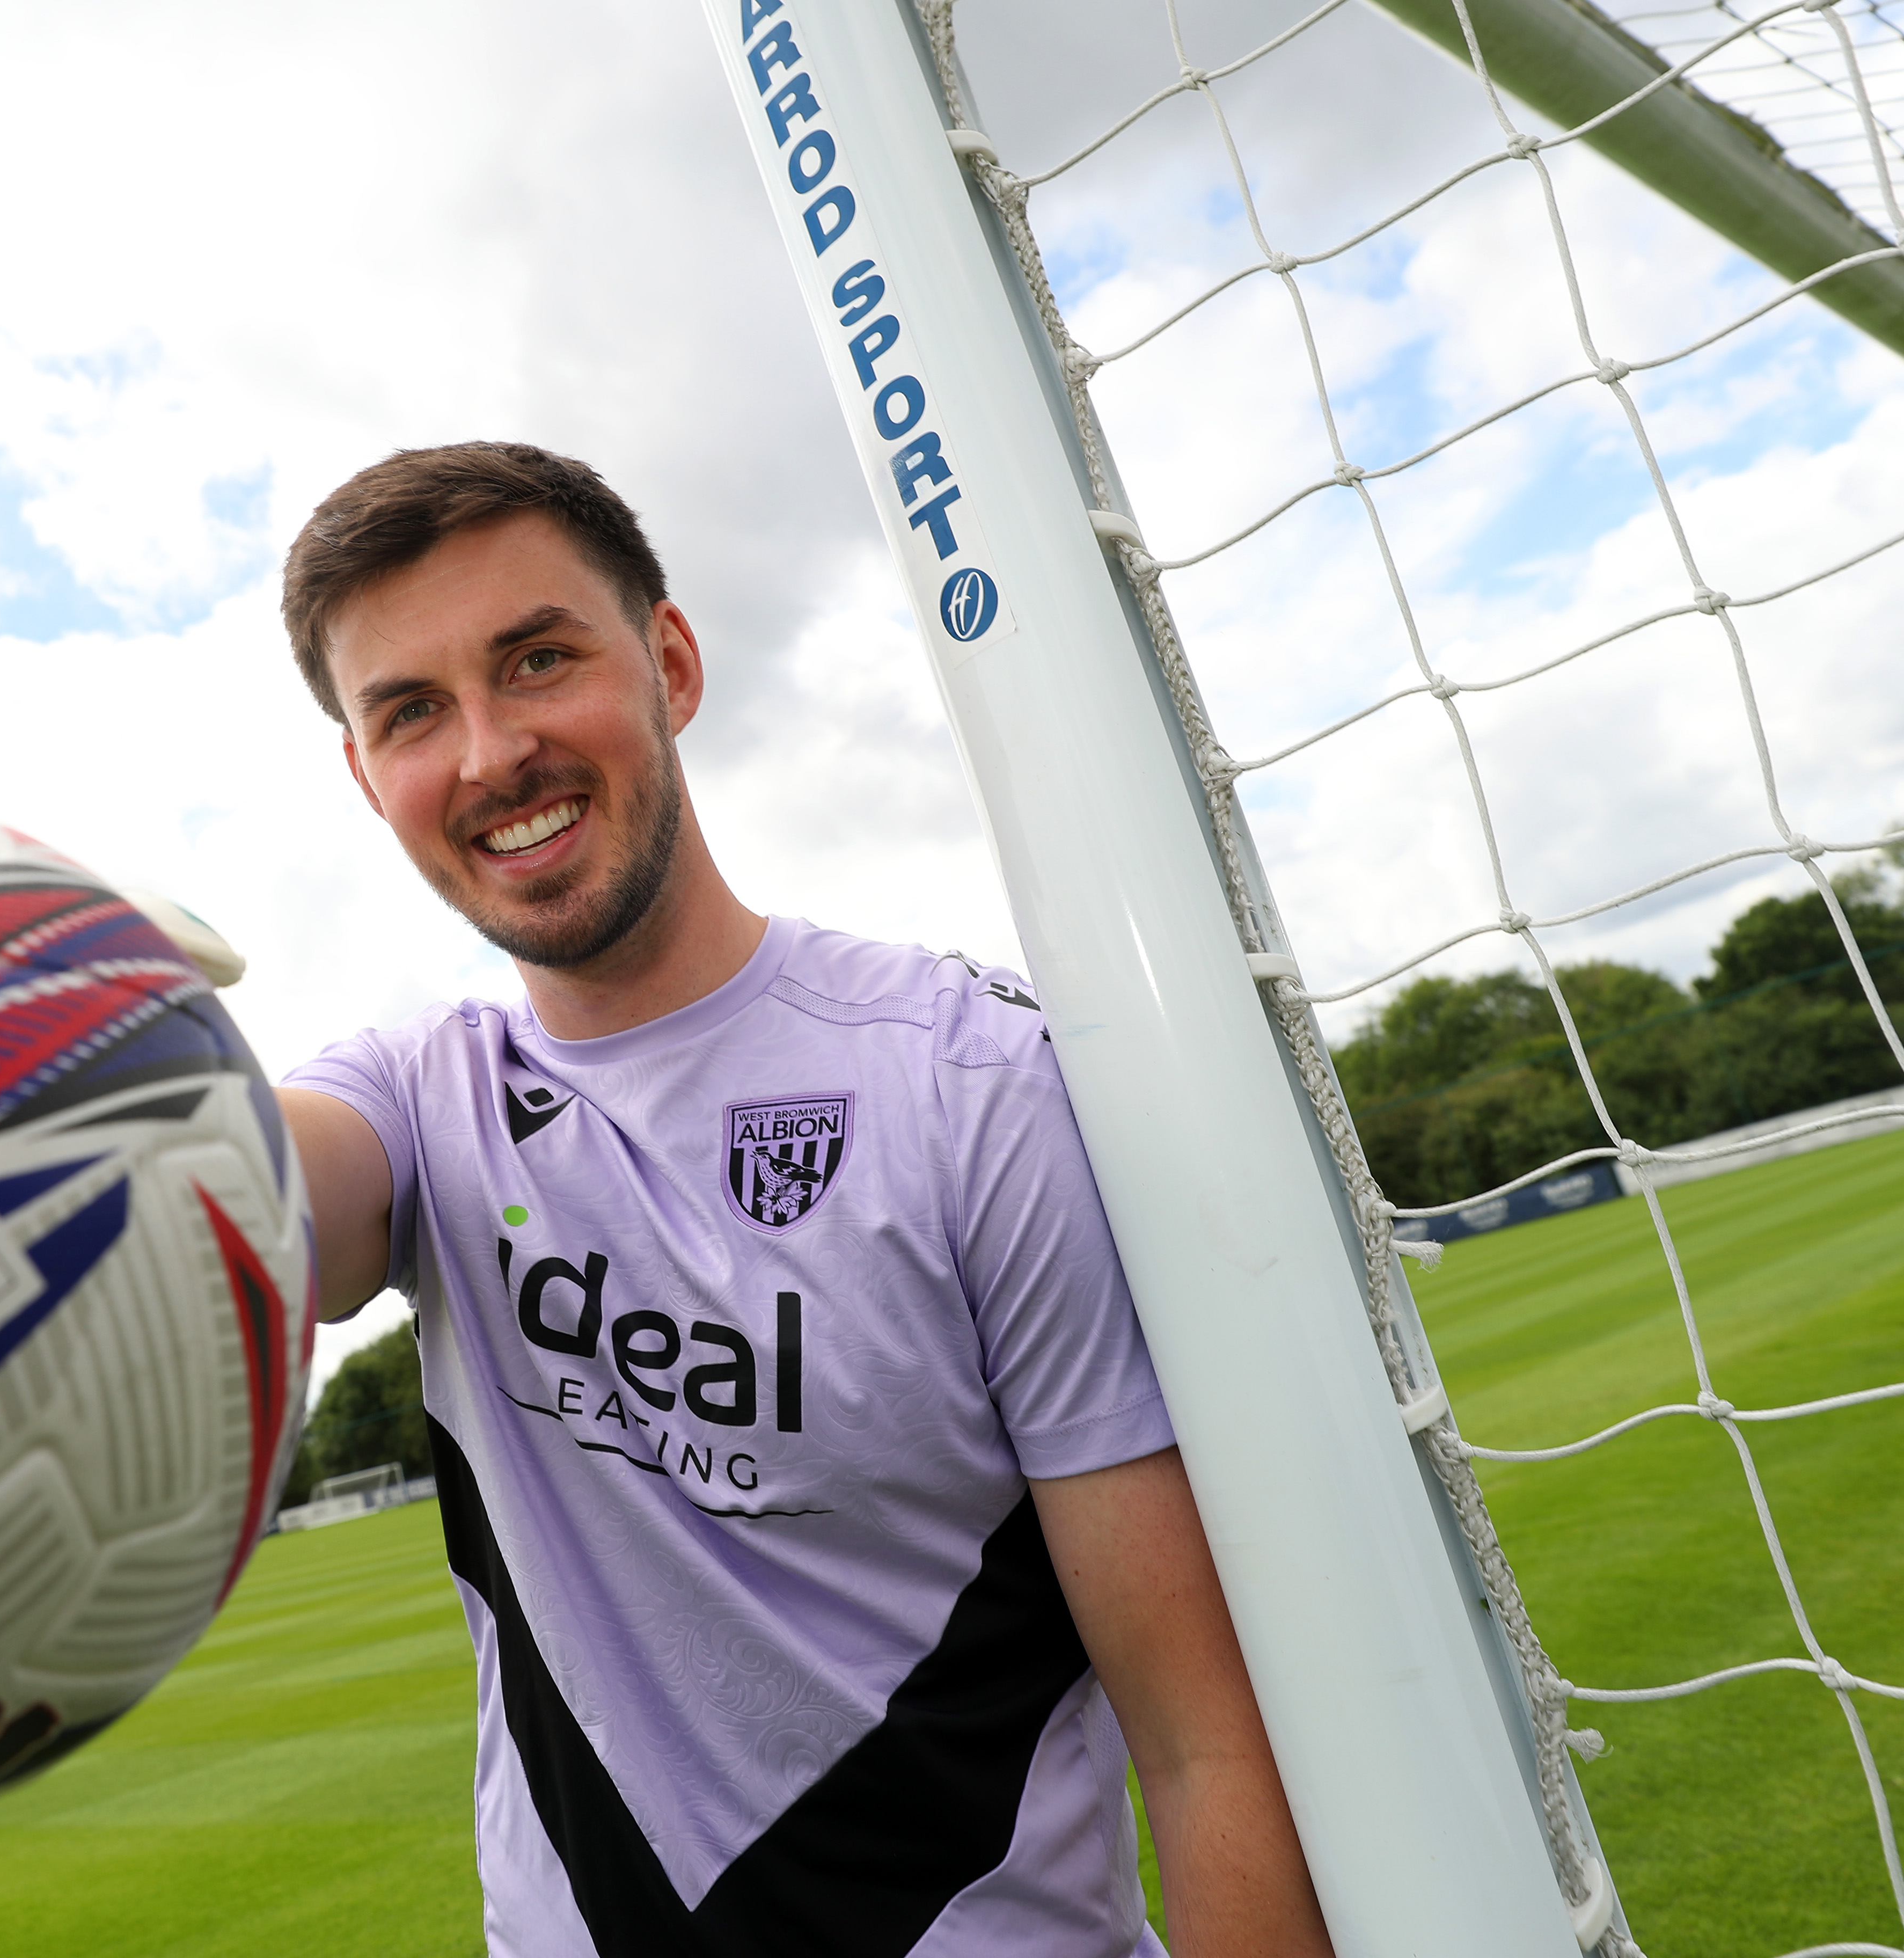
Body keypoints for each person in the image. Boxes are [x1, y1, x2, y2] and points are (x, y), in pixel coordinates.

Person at [271, 442, 1332, 1958]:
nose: (492, 752)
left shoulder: (972, 1083)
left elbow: (1206, 1737)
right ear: (370, 778)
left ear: (673, 661)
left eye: (539, 659)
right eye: (411, 711)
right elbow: (239, 1217)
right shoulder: (419, 1100)